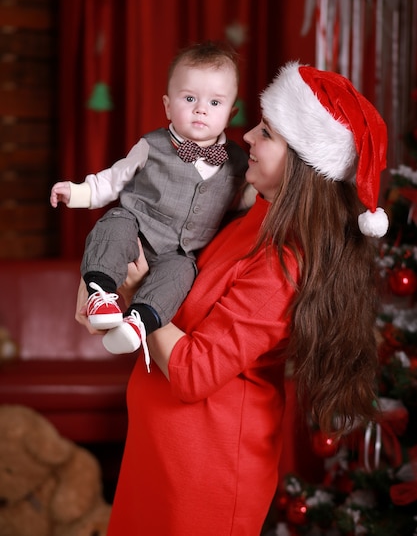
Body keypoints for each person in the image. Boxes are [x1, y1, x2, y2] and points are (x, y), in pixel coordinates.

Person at [77, 61, 389, 536]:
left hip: (204, 475)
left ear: (301, 165)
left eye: (266, 133)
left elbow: (194, 370)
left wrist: (141, 294)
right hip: (159, 459)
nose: (247, 138)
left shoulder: (285, 265)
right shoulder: (251, 216)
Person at [51, 41, 249, 363]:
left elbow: (246, 200)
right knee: (113, 225)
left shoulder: (238, 163)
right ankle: (101, 294)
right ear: (168, 106)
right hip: (137, 229)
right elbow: (113, 179)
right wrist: (75, 192)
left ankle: (140, 322)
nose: (201, 109)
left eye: (215, 102)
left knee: (182, 274)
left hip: (179, 251)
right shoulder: (151, 145)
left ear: (231, 113)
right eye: (189, 99)